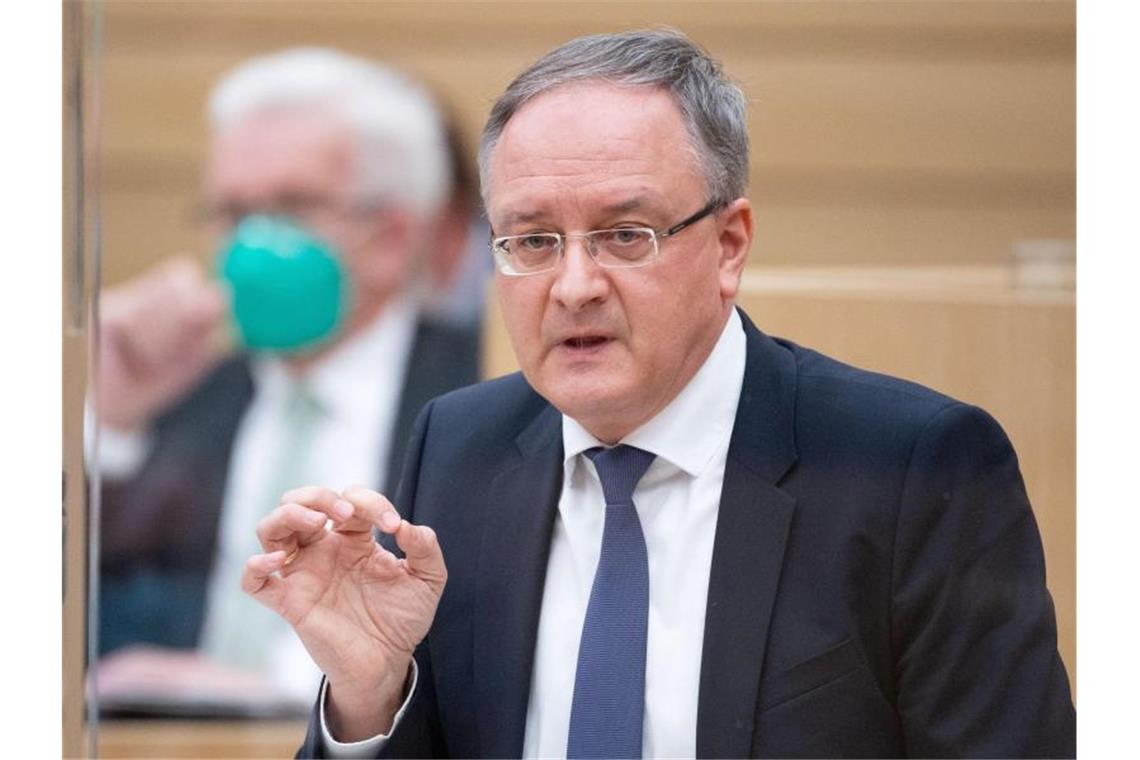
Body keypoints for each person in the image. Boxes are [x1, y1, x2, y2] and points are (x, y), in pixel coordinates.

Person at [242, 30, 1076, 757]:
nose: (573, 285)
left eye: (624, 235)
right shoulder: (460, 449)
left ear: (729, 245)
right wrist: (368, 695)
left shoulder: (911, 469)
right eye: (531, 240)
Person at [94, 48, 482, 708]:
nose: (252, 241)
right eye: (234, 214)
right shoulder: (178, 392)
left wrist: (285, 693)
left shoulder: (480, 391)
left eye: (291, 207)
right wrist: (106, 422)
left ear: (390, 238)